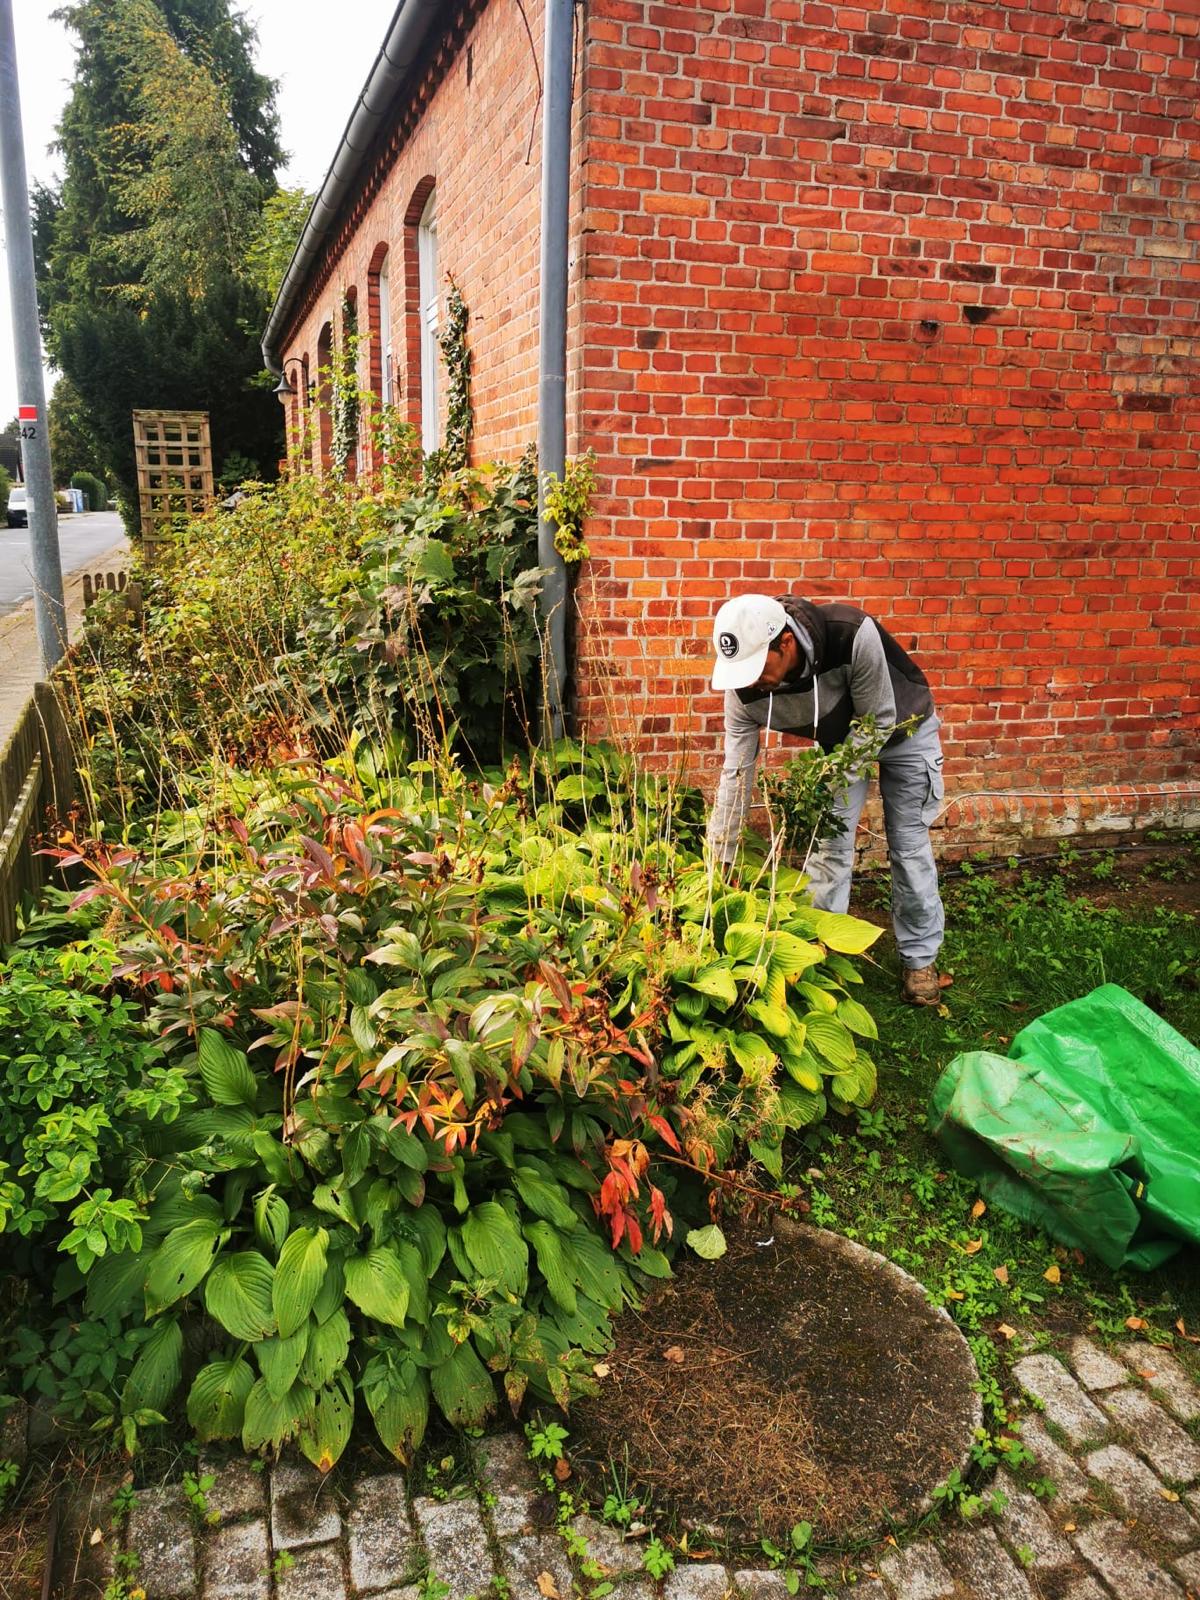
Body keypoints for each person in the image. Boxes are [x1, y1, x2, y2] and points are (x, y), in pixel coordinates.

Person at [706, 593, 946, 1006]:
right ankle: (819, 958)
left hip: (904, 730)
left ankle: (919, 958)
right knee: (829, 845)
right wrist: (721, 854)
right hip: (841, 745)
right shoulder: (741, 689)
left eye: (757, 668)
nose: (749, 681)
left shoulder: (850, 635)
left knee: (907, 845)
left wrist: (831, 782)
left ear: (785, 643)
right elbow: (736, 772)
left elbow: (880, 722)